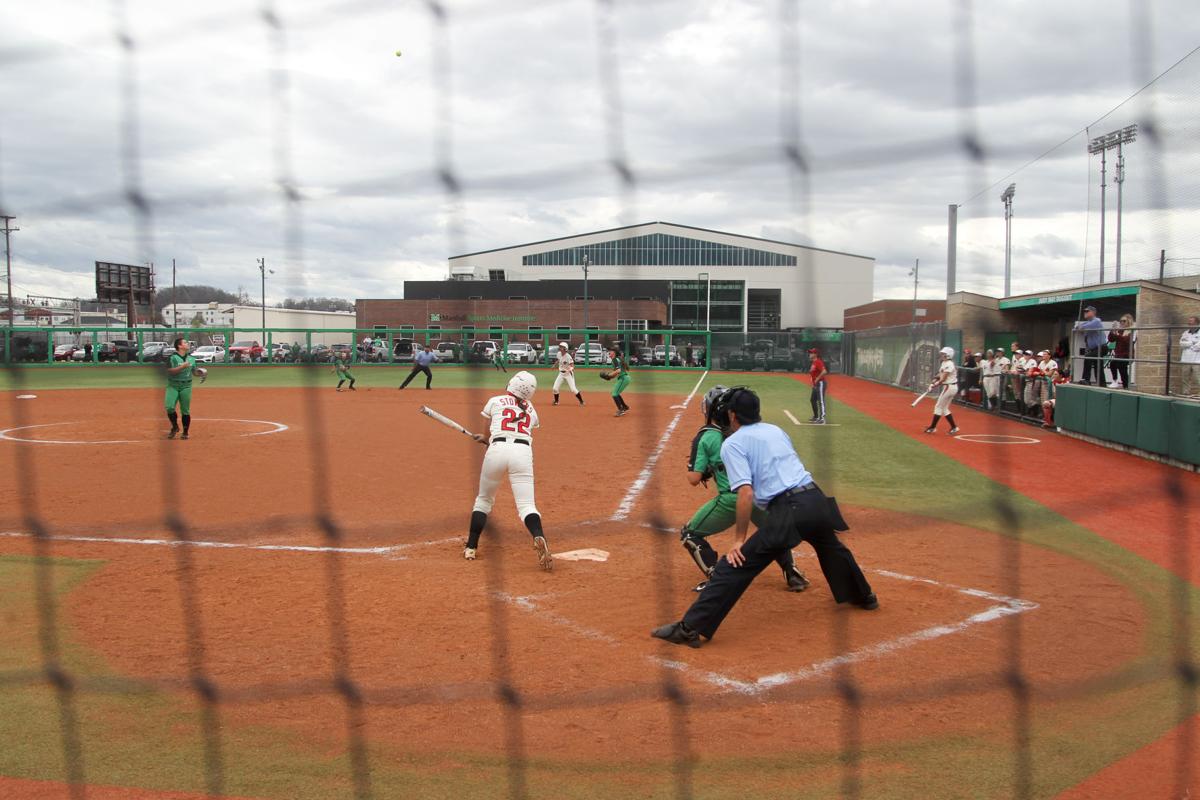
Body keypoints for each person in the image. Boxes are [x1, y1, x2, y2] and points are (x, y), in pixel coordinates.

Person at [650, 387, 876, 648]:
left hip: (789, 508)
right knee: (831, 548)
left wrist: (738, 540)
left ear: (732, 415)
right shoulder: (775, 430)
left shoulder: (733, 443)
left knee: (736, 565)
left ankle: (690, 628)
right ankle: (865, 596)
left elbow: (745, 493)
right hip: (815, 497)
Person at [680, 385, 810, 594]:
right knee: (773, 532)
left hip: (732, 500)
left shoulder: (706, 436)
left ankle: (717, 578)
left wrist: (706, 470)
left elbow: (693, 479)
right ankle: (792, 573)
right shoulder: (746, 432)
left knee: (689, 533)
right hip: (762, 497)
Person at [464, 371, 552, 571]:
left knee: (484, 500)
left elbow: (489, 430)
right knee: (527, 505)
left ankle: (471, 546)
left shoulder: (495, 400)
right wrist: (488, 438)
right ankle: (539, 536)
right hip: (522, 452)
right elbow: (524, 426)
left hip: (497, 450)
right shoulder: (530, 408)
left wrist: (485, 439)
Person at [165, 337, 199, 440]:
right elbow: (170, 371)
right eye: (185, 342)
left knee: (185, 410)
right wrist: (182, 367)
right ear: (179, 346)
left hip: (186, 386)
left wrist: (200, 373)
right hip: (173, 385)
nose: (187, 344)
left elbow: (194, 372)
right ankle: (175, 427)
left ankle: (185, 432)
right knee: (169, 407)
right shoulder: (172, 358)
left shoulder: (192, 359)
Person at [924, 346, 960, 435]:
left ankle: (932, 427)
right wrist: (935, 379)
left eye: (943, 354)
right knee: (944, 408)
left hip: (949, 387)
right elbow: (941, 374)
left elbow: (943, 379)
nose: (941, 355)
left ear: (948, 355)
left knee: (938, 407)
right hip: (949, 387)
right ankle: (954, 427)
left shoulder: (949, 364)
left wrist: (934, 385)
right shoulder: (944, 362)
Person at [1075, 306, 1106, 385]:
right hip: (1094, 348)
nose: (1085, 312)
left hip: (1101, 347)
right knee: (1098, 366)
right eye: (1084, 311)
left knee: (1088, 357)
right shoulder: (1088, 322)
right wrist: (1079, 327)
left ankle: (1086, 379)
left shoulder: (1097, 321)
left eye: (1087, 311)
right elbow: (1077, 328)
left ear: (1093, 312)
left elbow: (1082, 327)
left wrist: (1080, 327)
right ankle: (1102, 384)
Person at [552, 342, 584, 406]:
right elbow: (559, 360)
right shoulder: (558, 354)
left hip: (568, 374)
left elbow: (572, 365)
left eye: (561, 347)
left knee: (573, 389)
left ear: (565, 348)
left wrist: (571, 369)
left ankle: (581, 401)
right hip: (561, 374)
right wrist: (554, 364)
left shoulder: (568, 356)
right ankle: (556, 401)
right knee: (555, 388)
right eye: (560, 346)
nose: (560, 347)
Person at [1107, 314, 1134, 389]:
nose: (1122, 322)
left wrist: (1117, 334)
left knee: (1121, 365)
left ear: (1128, 322)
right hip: (1119, 354)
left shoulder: (1131, 330)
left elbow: (1126, 340)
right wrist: (1112, 330)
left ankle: (1126, 385)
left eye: (1124, 321)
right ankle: (1115, 381)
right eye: (1120, 321)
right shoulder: (1120, 330)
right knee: (1113, 363)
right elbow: (1111, 339)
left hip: (1127, 354)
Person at [807, 347, 829, 423]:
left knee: (821, 401)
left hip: (821, 383)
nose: (810, 354)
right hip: (816, 385)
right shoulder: (813, 362)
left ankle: (822, 418)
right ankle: (816, 417)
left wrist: (817, 379)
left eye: (811, 353)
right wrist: (813, 382)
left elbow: (824, 371)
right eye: (810, 353)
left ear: (816, 354)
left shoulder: (818, 362)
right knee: (812, 400)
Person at [609, 345, 631, 417]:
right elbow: (616, 373)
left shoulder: (615, 360)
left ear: (614, 353)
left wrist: (608, 375)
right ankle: (624, 407)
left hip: (623, 378)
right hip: (623, 378)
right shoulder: (617, 359)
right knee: (616, 393)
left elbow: (618, 371)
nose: (609, 352)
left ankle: (621, 410)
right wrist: (610, 377)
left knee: (614, 393)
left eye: (611, 351)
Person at [1182, 316, 1200, 397]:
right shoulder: (1185, 333)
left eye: (1191, 322)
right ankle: (1186, 393)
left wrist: (1188, 344)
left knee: (1197, 378)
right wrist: (1192, 343)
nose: (1189, 323)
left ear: (1196, 323)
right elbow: (1181, 344)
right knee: (1185, 378)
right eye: (1189, 322)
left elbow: (1198, 347)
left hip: (1197, 360)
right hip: (1185, 359)